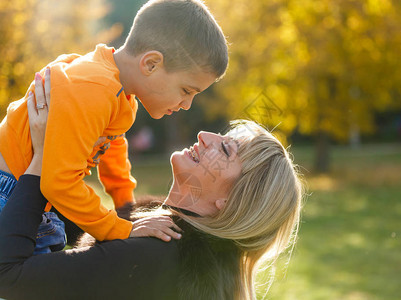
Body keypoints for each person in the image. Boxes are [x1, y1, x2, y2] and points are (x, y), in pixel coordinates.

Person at [0, 76, 303, 300]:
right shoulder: (167, 232)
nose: (204, 135)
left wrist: (42, 159)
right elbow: (89, 236)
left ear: (232, 201)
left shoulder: (156, 256)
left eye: (225, 150)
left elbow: (8, 276)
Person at [0, 0, 228, 252]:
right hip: (9, 194)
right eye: (186, 90)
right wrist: (121, 229)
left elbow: (113, 147)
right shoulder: (94, 88)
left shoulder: (120, 94)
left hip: (32, 198)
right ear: (151, 63)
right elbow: (58, 183)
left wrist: (126, 206)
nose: (187, 104)